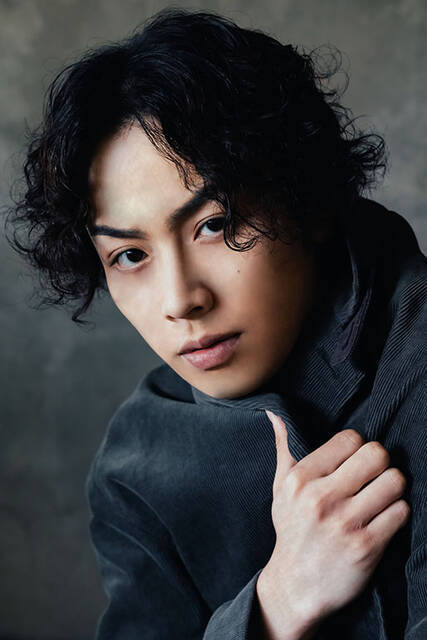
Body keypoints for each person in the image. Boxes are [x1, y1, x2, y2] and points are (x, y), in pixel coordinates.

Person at [4, 7, 426, 640]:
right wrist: (278, 602)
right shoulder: (135, 466)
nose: (181, 300)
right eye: (129, 256)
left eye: (214, 225)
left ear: (307, 201)